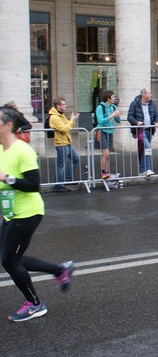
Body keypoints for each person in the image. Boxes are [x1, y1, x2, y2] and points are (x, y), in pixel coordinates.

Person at [0, 105, 74, 322]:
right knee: (11, 256)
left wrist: (7, 178)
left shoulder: (23, 151)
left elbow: (34, 185)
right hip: (11, 212)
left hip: (28, 213)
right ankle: (59, 270)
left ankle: (35, 304)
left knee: (9, 260)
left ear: (9, 126)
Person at [127, 88, 158, 178]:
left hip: (149, 130)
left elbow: (156, 115)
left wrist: (157, 121)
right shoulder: (134, 104)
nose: (151, 95)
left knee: (144, 150)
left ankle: (142, 170)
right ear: (143, 95)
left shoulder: (151, 104)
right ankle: (148, 168)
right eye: (149, 93)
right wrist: (137, 122)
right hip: (140, 130)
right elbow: (129, 116)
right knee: (148, 147)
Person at [48, 98, 80, 192]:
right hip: (61, 143)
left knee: (75, 159)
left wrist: (73, 119)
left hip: (67, 142)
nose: (65, 106)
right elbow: (65, 129)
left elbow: (70, 126)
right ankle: (58, 185)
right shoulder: (54, 117)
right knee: (61, 165)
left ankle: (68, 179)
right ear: (58, 106)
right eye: (64, 104)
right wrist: (72, 119)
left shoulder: (61, 115)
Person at [96, 91, 121, 180]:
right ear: (108, 98)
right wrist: (111, 116)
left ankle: (107, 173)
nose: (114, 99)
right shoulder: (100, 107)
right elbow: (100, 121)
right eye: (113, 97)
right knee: (105, 153)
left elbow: (118, 121)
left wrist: (117, 116)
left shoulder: (114, 107)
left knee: (107, 154)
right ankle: (103, 172)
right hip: (102, 131)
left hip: (110, 132)